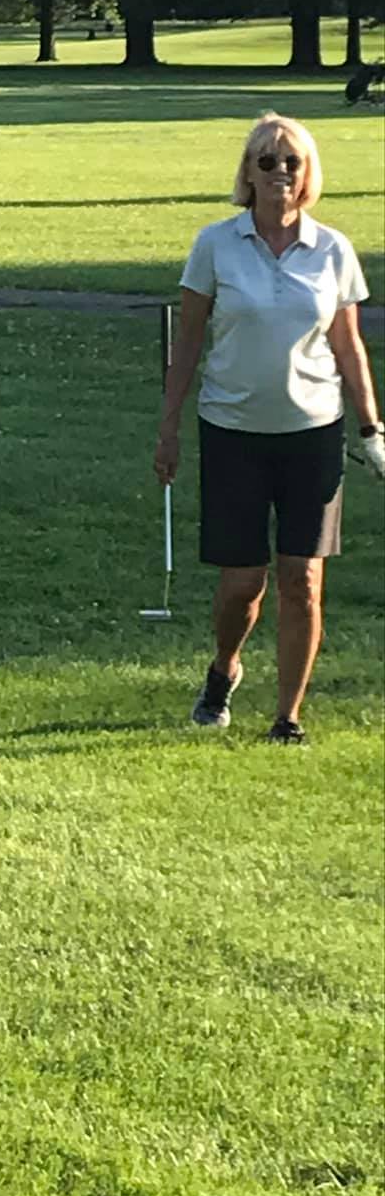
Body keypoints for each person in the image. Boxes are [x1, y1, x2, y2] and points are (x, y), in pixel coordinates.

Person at [153, 111, 385, 744]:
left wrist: (371, 428)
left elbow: (349, 346)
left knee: (302, 579)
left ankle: (288, 717)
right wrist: (169, 428)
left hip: (313, 433)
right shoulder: (215, 245)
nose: (280, 171)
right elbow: (189, 342)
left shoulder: (332, 249)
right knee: (242, 585)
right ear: (248, 174)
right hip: (233, 431)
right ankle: (225, 667)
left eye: (292, 162)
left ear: (307, 174)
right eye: (267, 161)